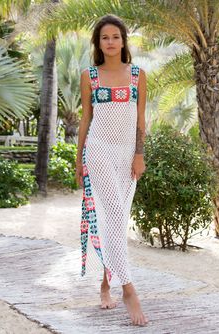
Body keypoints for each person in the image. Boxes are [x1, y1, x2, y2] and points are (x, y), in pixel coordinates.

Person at [76, 14, 148, 326]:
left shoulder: (137, 75)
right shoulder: (90, 76)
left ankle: (106, 283)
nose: (110, 42)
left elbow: (140, 120)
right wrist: (79, 159)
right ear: (98, 43)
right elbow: (85, 120)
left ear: (123, 41)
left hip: (126, 155)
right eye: (104, 37)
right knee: (115, 215)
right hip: (99, 150)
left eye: (115, 37)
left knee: (117, 221)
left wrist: (139, 154)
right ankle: (128, 290)